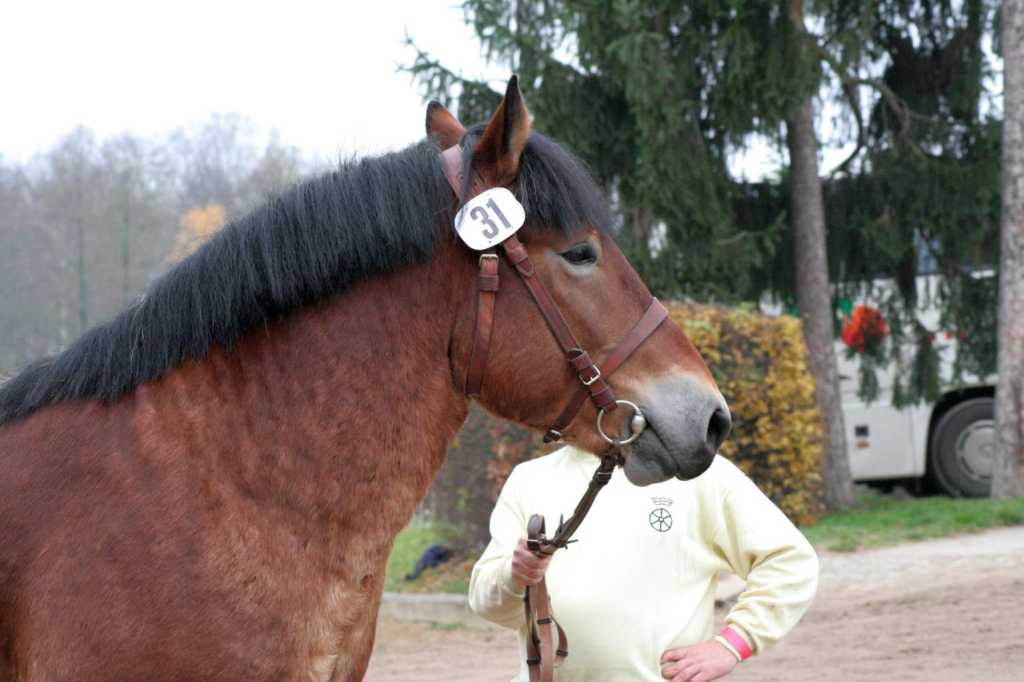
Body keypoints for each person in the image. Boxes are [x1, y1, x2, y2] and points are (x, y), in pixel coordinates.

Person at [469, 445, 819, 682]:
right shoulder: (529, 478)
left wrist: (733, 643)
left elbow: (789, 560)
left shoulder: (697, 473)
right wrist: (513, 576)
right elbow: (487, 604)